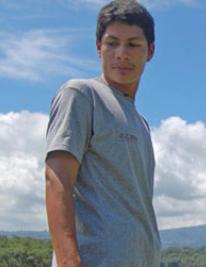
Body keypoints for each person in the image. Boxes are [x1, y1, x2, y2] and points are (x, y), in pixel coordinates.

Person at [45, 0, 161, 266]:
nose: (121, 54)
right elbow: (57, 179)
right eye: (112, 43)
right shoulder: (81, 95)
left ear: (150, 51)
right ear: (99, 47)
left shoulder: (140, 122)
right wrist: (67, 261)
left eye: (133, 44)